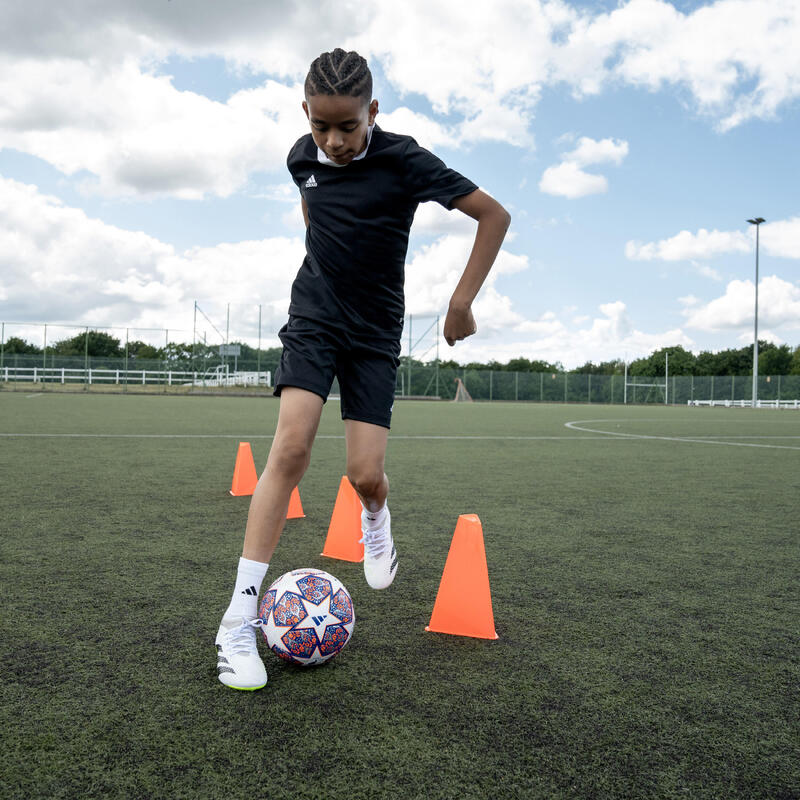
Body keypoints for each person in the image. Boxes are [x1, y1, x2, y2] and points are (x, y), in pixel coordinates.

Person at [215, 48, 511, 690]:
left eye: (347, 125)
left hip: (375, 333)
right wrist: (323, 270)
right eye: (322, 126)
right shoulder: (300, 157)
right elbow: (314, 217)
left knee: (364, 474)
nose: (334, 139)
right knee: (289, 451)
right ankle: (236, 623)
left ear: (371, 112)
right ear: (306, 116)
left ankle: (377, 518)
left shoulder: (404, 159)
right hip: (315, 317)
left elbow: (494, 214)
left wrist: (462, 301)